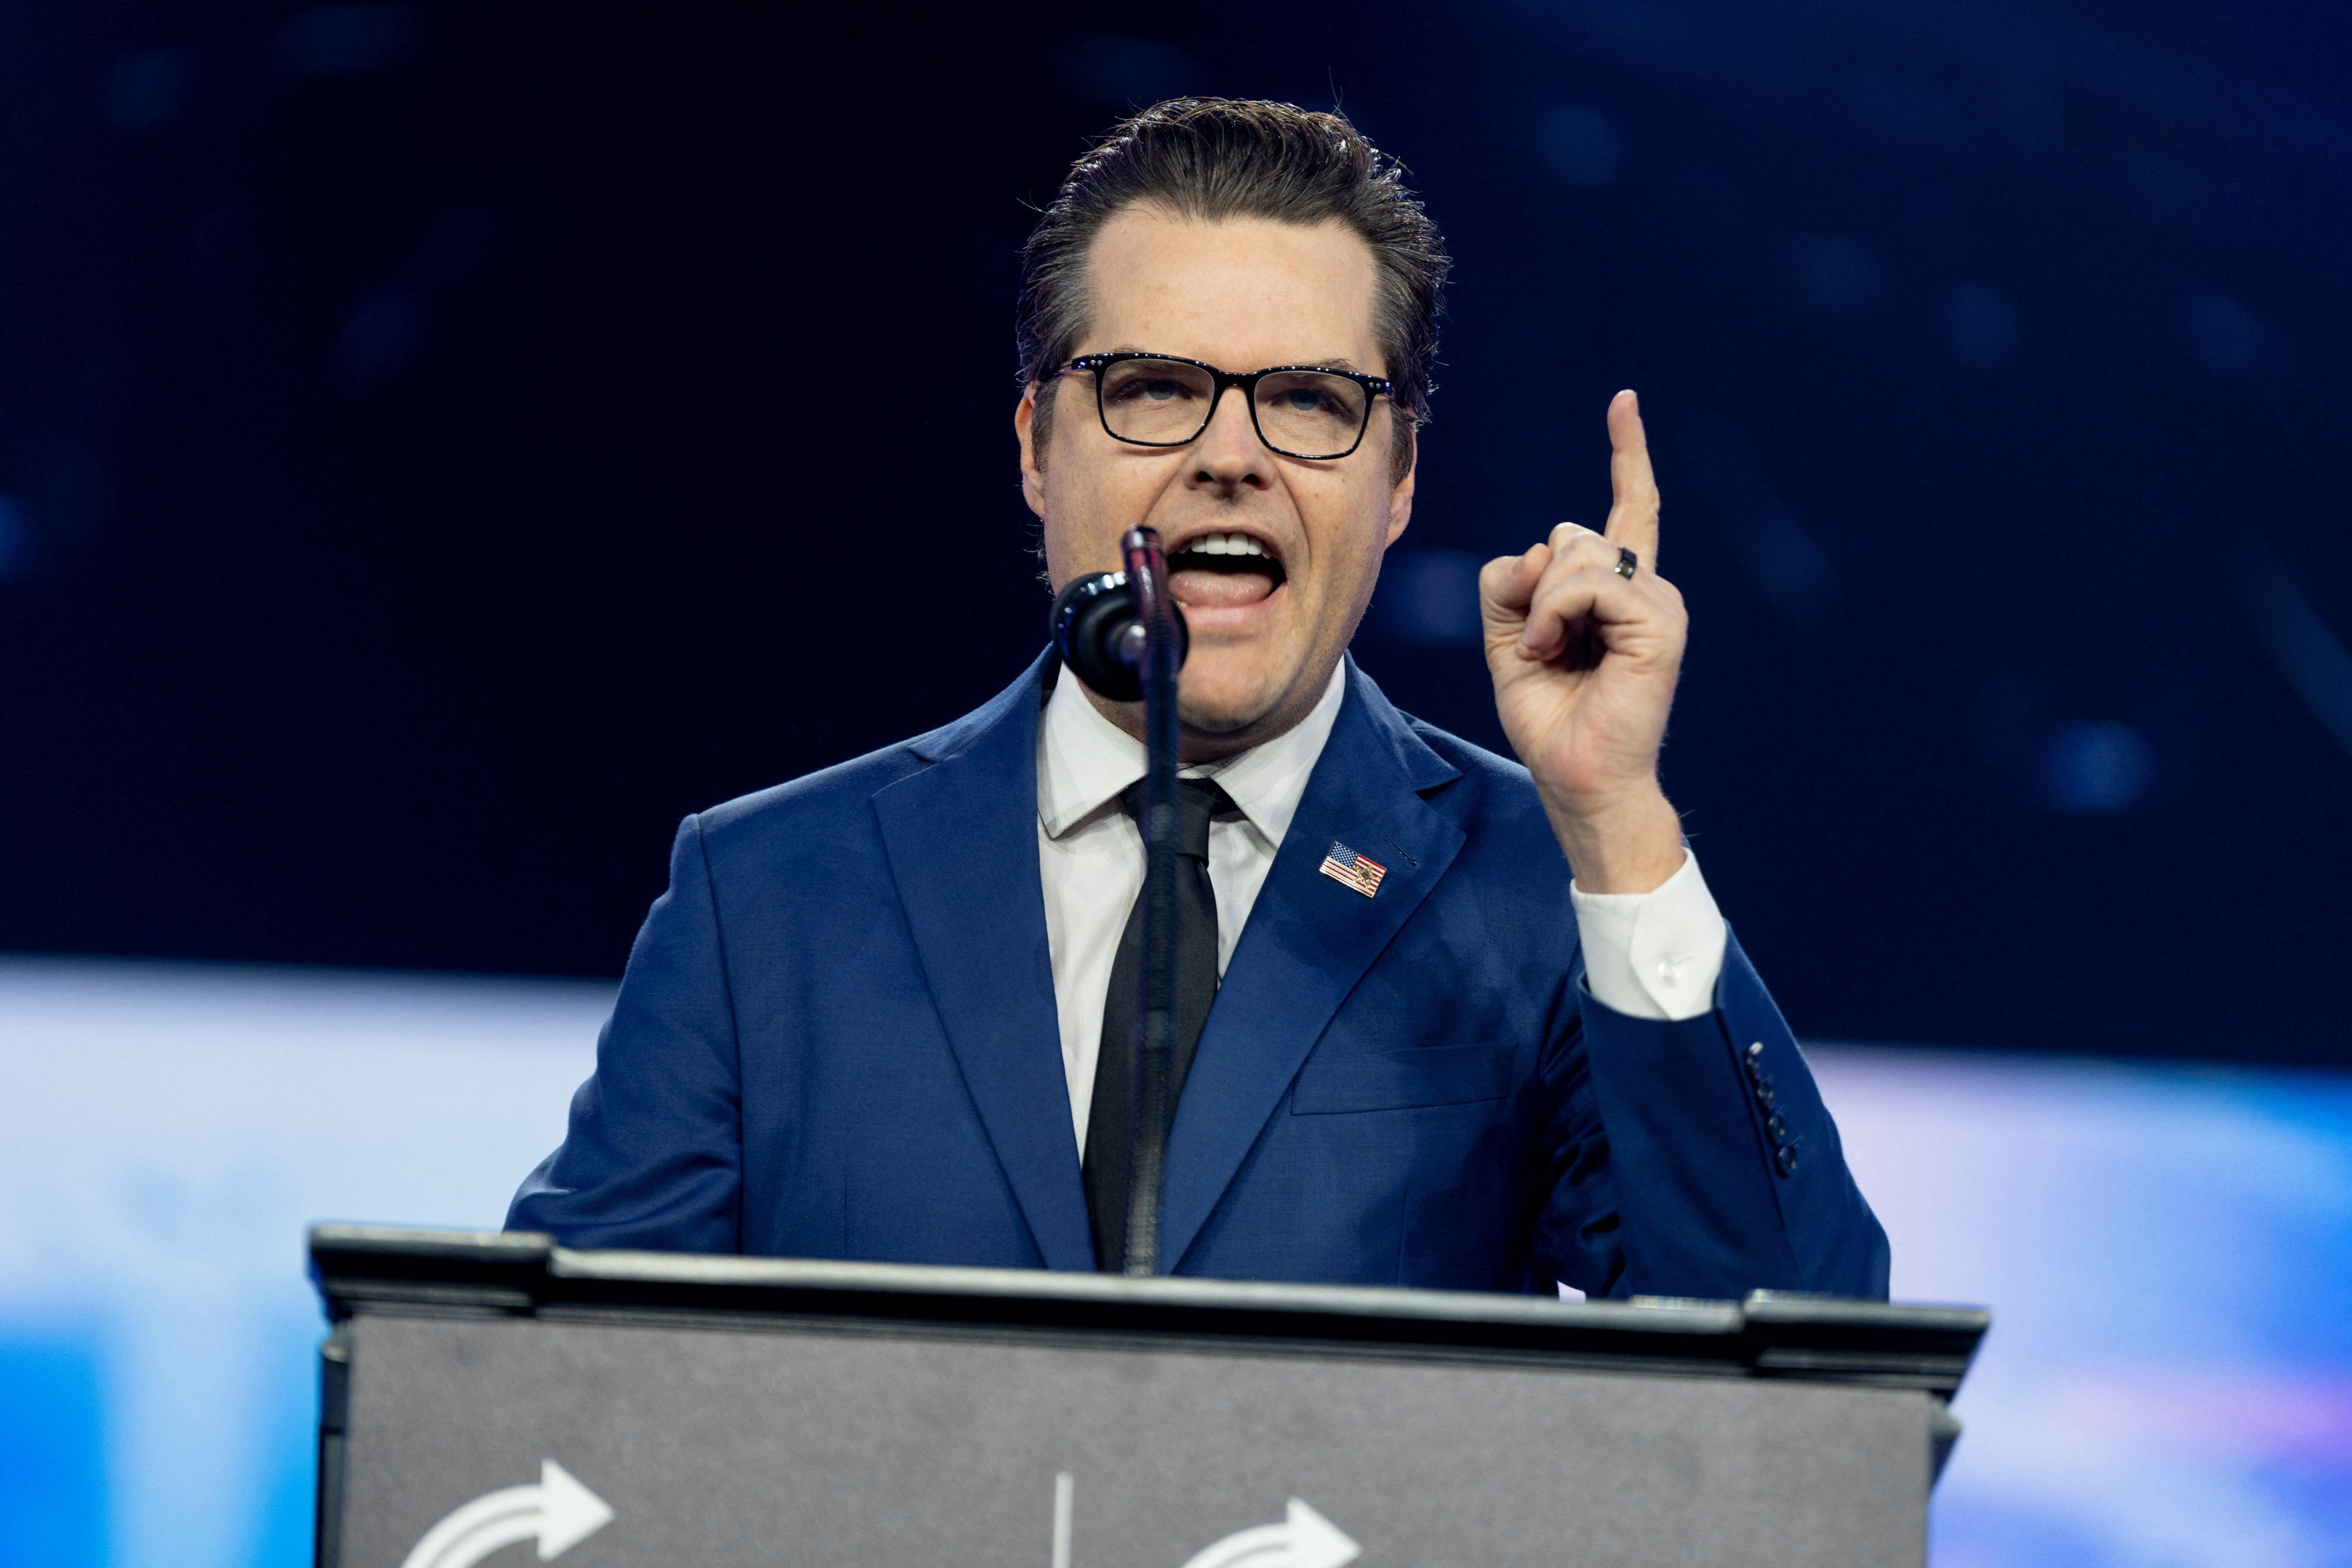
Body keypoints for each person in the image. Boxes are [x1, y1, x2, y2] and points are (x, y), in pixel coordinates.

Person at [507, 98, 1889, 1300]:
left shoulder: (1538, 885)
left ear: (1398, 477)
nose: (1229, 455)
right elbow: (551, 1396)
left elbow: (1796, 1354)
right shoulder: (766, 900)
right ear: (1036, 451)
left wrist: (1616, 825)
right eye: (1153, 388)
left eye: (1305, 400)